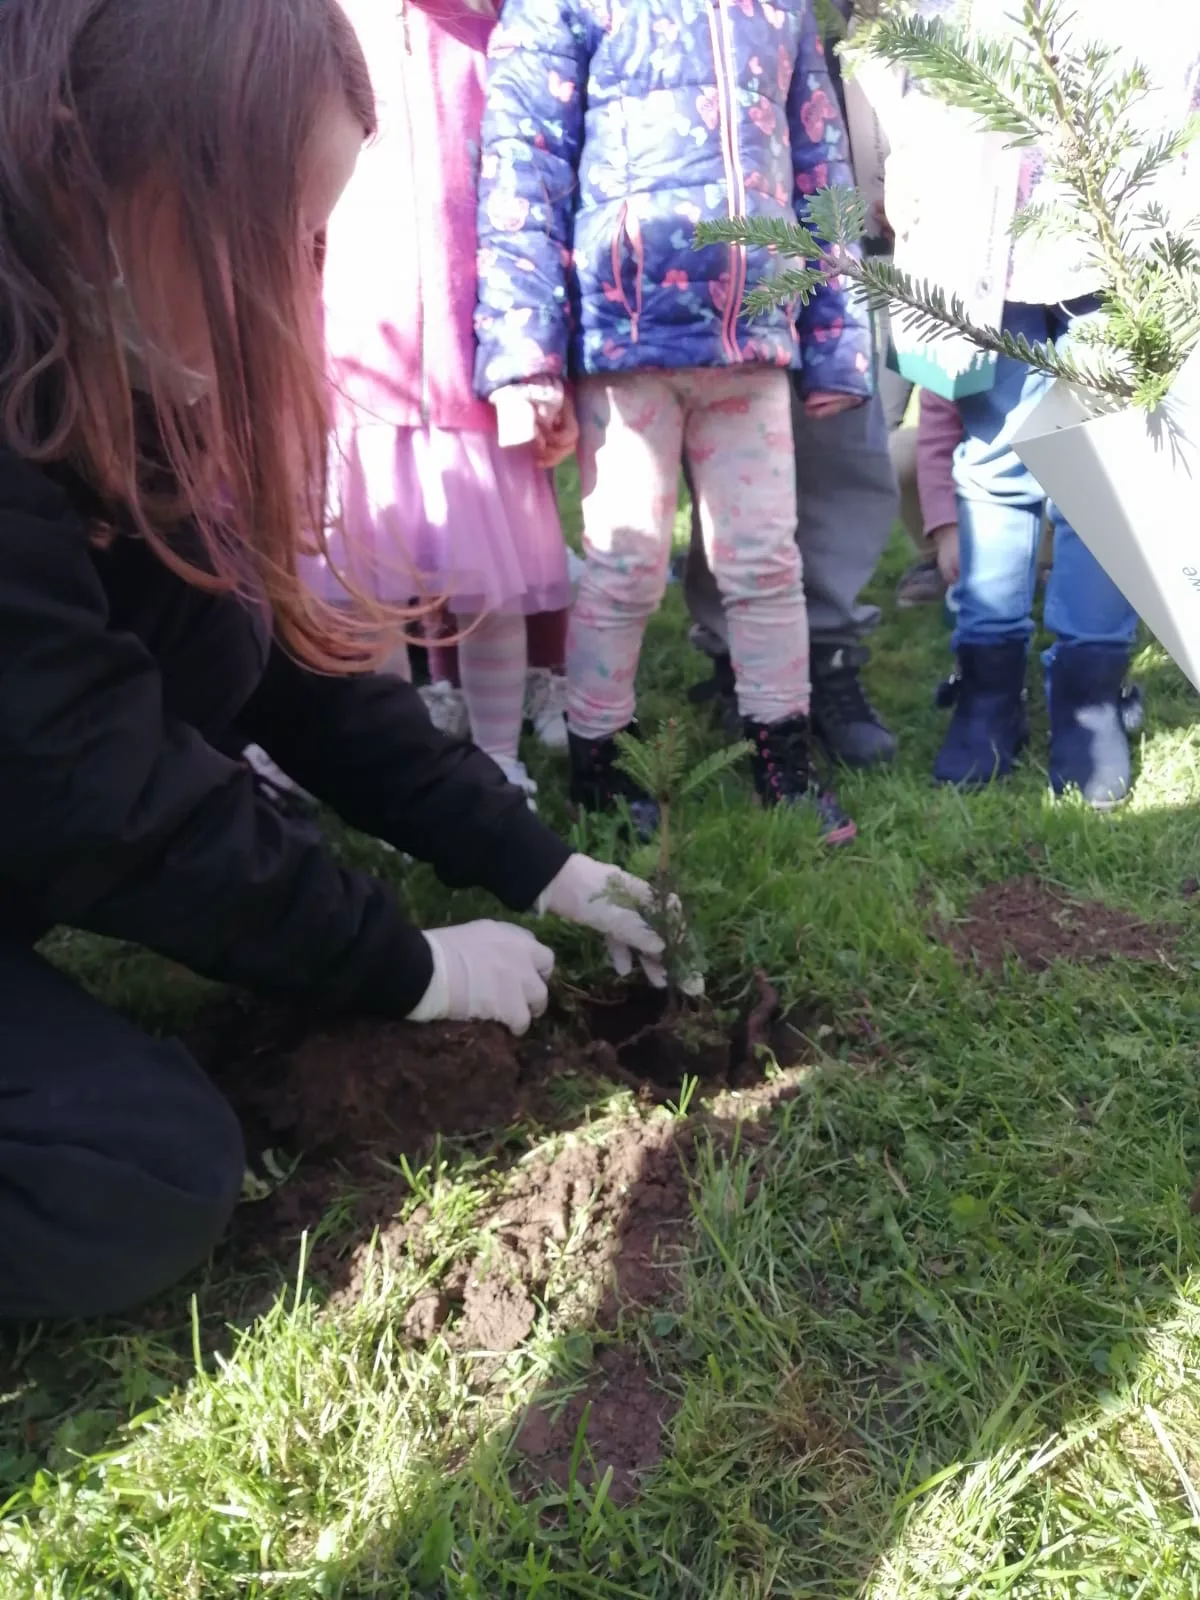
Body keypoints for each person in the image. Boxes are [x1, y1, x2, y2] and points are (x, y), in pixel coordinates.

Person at [0, 0, 672, 1323]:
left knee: (130, 1162)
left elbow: (273, 668)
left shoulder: (103, 379)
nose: (292, 281)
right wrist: (400, 966)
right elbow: (95, 788)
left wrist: (538, 862)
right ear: (97, 167)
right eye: (269, 230)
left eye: (313, 238)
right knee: (128, 1178)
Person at [474, 0, 874, 842]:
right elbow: (523, 164)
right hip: (625, 342)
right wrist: (526, 354)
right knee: (623, 563)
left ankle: (784, 758)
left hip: (749, 342)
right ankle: (601, 759)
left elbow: (820, 163)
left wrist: (836, 336)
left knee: (766, 561)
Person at [891, 0, 1200, 806]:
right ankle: (988, 691)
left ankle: (1088, 700)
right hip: (988, 260)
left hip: (1125, 254)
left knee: (1105, 485)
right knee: (993, 466)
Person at [313, 0, 575, 800]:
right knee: (366, 586)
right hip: (353, 357)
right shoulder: (315, 27)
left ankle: (497, 759)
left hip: (470, 358)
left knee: (490, 575)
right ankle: (403, 767)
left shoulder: (483, 31)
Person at [682, 0, 902, 770]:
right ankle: (732, 648)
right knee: (727, 450)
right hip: (704, 183)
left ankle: (832, 647)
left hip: (836, 138)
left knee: (840, 430)